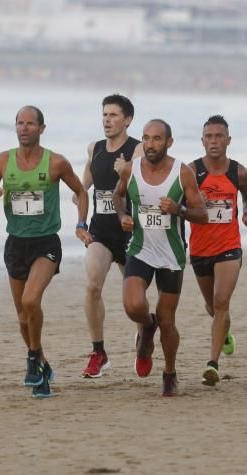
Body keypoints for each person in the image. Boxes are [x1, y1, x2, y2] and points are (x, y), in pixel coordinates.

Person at [0, 105, 92, 399]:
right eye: (19, 123)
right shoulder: (3, 161)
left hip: (45, 243)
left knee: (31, 300)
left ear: (42, 128)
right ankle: (40, 361)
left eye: (30, 123)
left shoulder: (56, 163)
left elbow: (81, 191)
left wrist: (81, 222)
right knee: (22, 316)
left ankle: (32, 360)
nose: (24, 128)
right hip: (15, 244)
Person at [114, 119, 208, 396]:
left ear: (169, 142)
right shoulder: (131, 170)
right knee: (133, 306)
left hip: (171, 254)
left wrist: (178, 210)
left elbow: (202, 215)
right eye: (145, 138)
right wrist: (123, 216)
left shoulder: (183, 173)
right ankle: (146, 326)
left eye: (156, 139)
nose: (150, 144)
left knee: (168, 321)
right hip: (140, 249)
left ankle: (169, 372)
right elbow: (117, 196)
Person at [188, 115, 247, 386]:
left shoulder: (238, 172)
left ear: (228, 140)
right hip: (200, 250)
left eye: (219, 136)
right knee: (213, 306)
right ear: (202, 140)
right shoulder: (192, 171)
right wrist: (196, 201)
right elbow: (179, 207)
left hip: (229, 247)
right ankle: (225, 334)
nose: (214, 141)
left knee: (220, 301)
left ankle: (212, 364)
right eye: (209, 136)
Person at [79, 94, 142, 378]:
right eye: (105, 114)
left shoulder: (138, 150)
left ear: (127, 119)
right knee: (92, 286)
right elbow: (82, 190)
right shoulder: (95, 148)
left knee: (135, 301)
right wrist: (80, 222)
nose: (107, 120)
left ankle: (144, 336)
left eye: (114, 115)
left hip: (130, 232)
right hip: (100, 233)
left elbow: (146, 190)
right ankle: (98, 352)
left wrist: (126, 173)